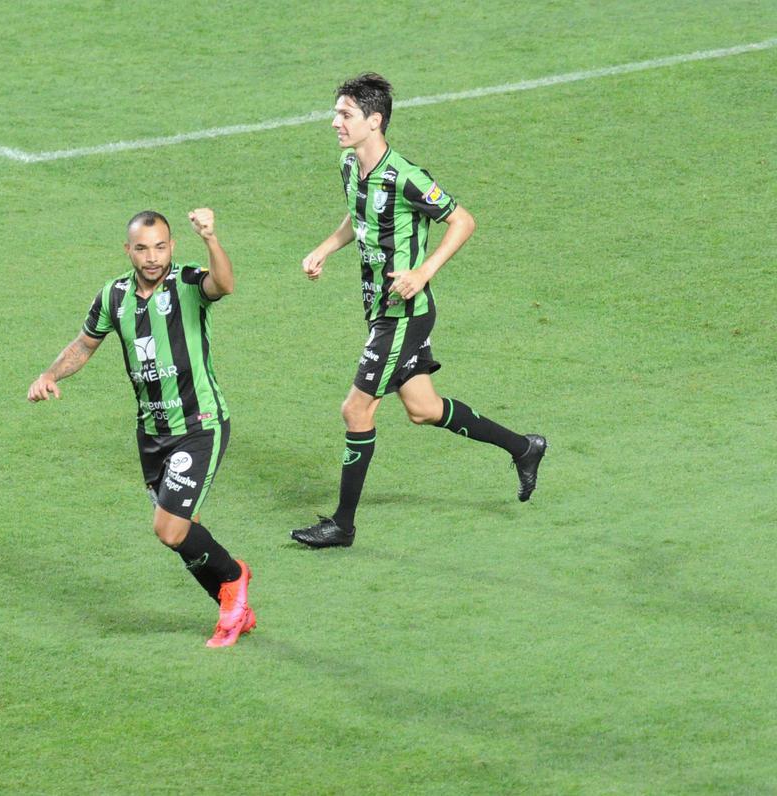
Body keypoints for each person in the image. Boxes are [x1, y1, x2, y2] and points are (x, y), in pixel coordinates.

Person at [291, 73, 547, 549]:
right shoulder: (350, 165)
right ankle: (524, 447)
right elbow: (358, 216)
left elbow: (462, 221)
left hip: (403, 313)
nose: (335, 122)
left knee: (356, 409)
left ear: (374, 121)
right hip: (378, 308)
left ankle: (342, 526)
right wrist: (324, 248)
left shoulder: (407, 177)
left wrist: (423, 271)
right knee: (424, 409)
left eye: (345, 114)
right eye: (336, 113)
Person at [28, 209, 255, 647]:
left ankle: (233, 580)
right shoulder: (114, 296)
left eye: (161, 247)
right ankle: (233, 607)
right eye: (142, 248)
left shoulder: (188, 282)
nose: (153, 257)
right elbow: (84, 344)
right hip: (151, 432)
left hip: (199, 425)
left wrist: (211, 239)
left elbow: (223, 284)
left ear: (172, 246)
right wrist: (51, 374)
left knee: (169, 529)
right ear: (128, 250)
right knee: (184, 531)